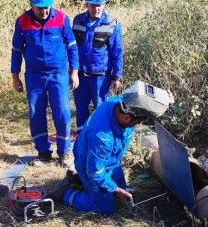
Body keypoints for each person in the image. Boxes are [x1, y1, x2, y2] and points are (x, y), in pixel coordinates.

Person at [48, 81, 171, 215]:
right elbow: (95, 172)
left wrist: (164, 103)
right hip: (91, 166)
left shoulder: (119, 102)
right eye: (138, 122)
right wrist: (116, 191)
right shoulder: (102, 138)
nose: (139, 124)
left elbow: (142, 99)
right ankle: (65, 194)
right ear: (127, 117)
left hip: (109, 162)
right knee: (105, 209)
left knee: (121, 188)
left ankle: (80, 180)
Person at [11, 0, 79, 167]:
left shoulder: (62, 19)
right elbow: (16, 51)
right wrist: (15, 77)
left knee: (63, 113)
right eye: (40, 7)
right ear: (31, 5)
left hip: (58, 75)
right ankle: (43, 152)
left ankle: (65, 152)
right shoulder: (22, 22)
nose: (44, 10)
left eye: (47, 6)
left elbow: (72, 46)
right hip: (34, 76)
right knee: (36, 112)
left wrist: (74, 71)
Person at [72, 0, 123, 134]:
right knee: (81, 109)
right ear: (87, 4)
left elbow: (117, 52)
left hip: (101, 78)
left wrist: (116, 76)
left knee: (101, 111)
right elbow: (71, 47)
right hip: (80, 76)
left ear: (104, 4)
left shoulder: (112, 23)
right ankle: (82, 138)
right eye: (93, 5)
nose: (96, 8)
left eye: (99, 5)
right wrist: (72, 71)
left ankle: (99, 138)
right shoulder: (78, 21)